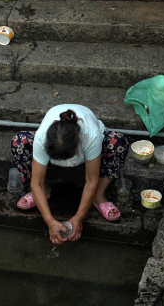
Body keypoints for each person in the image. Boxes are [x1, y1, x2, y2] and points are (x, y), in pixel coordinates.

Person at [11, 104, 129, 244]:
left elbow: (91, 180)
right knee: (19, 142)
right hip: (56, 154)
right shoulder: (43, 137)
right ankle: (44, 190)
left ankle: (98, 195)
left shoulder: (90, 136)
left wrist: (78, 217)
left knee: (118, 141)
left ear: (79, 139)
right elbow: (35, 183)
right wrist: (49, 221)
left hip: (90, 157)